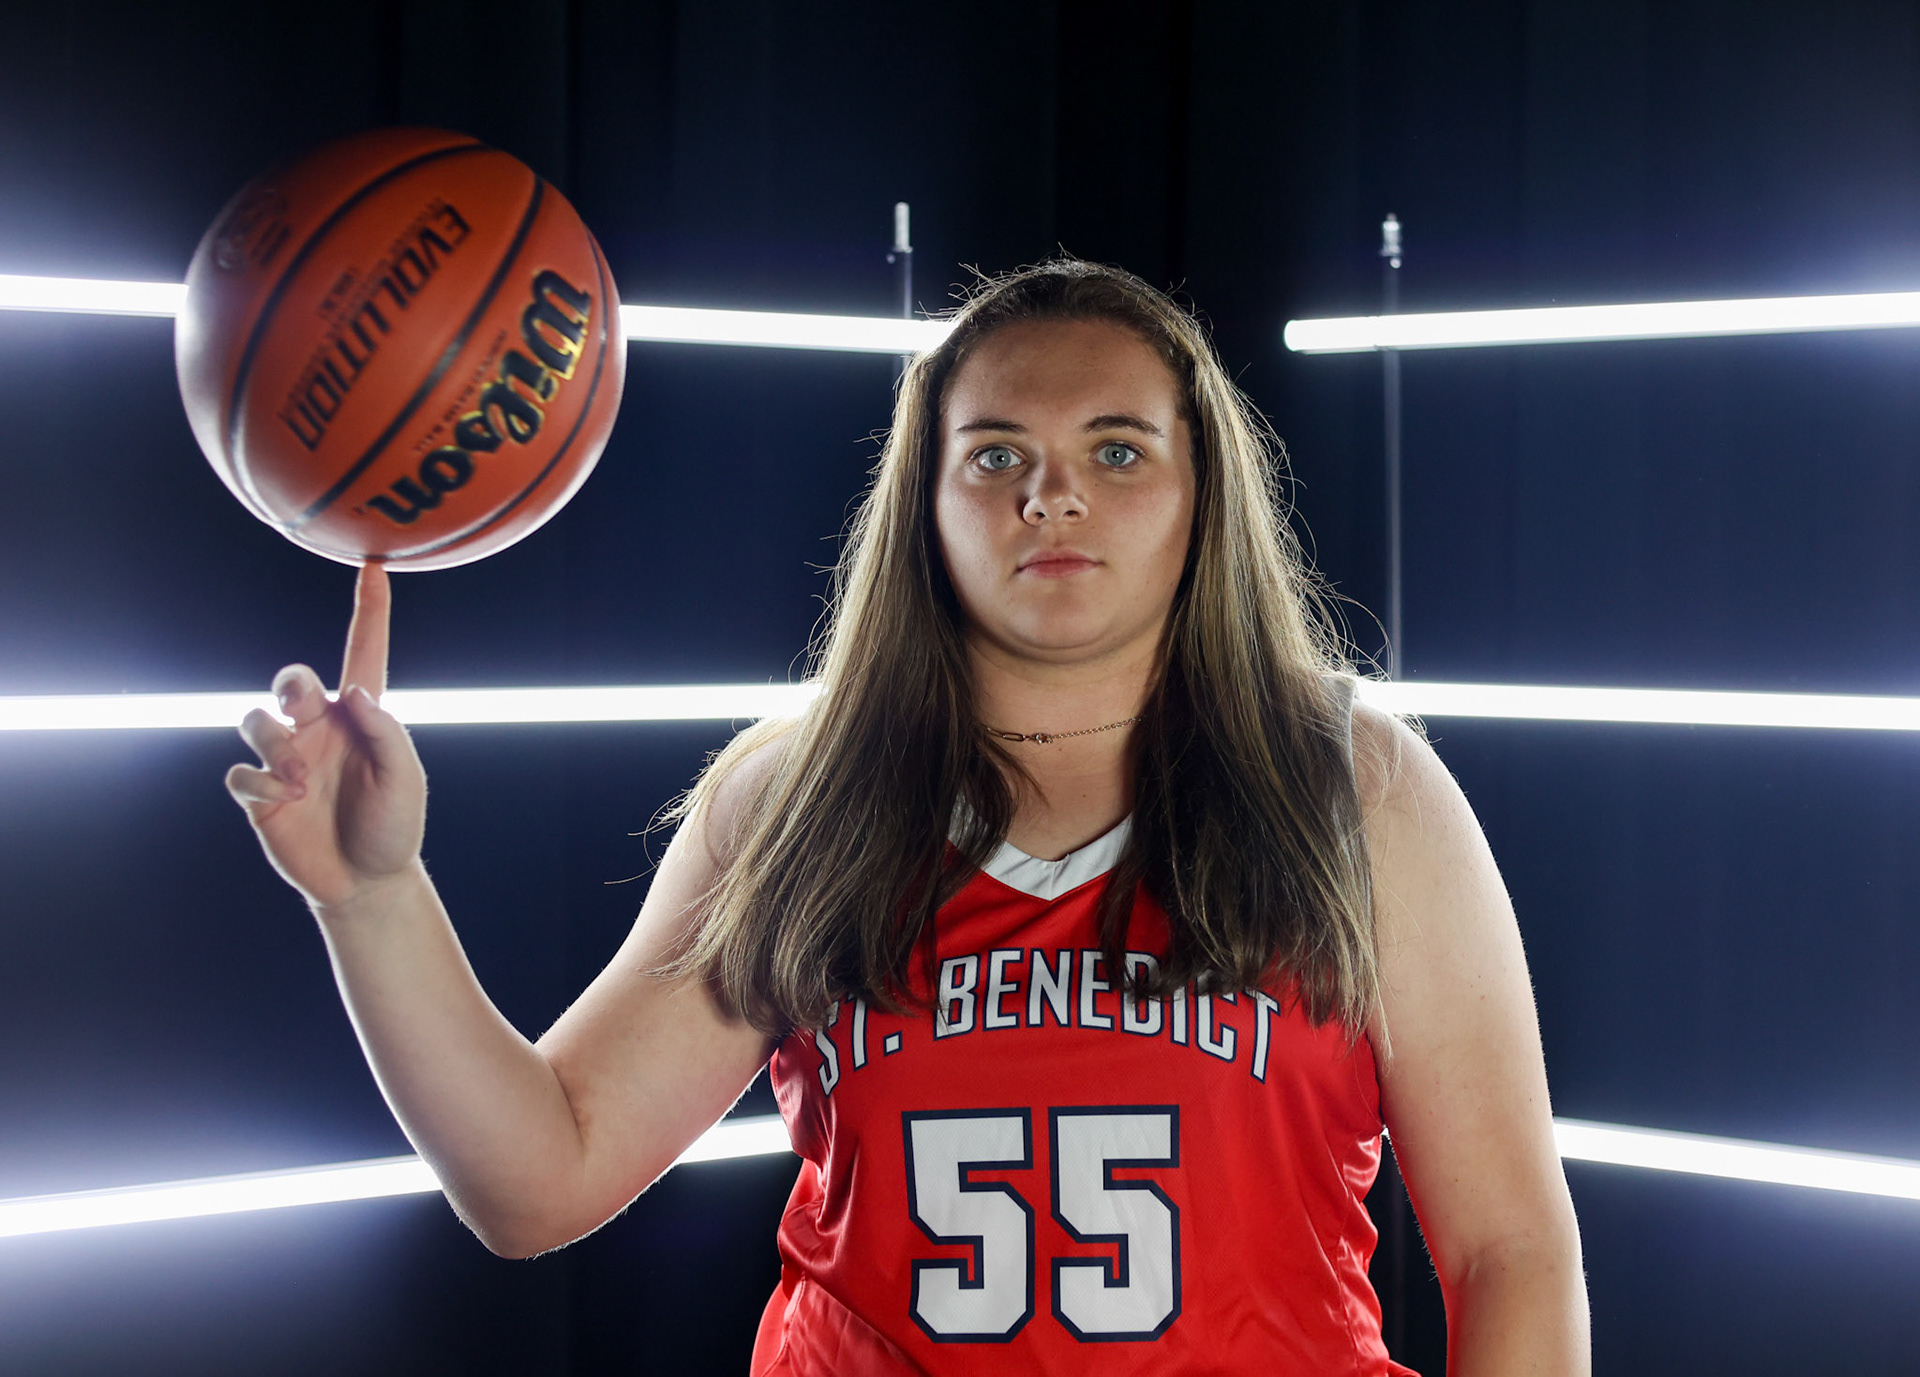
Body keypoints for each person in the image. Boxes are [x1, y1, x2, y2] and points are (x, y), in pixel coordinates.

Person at [228, 259, 1589, 1375]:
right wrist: (371, 896)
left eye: (1116, 450)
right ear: (924, 505)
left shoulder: (1355, 789)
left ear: (1202, 496)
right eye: (994, 454)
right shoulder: (798, 798)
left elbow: (1509, 1255)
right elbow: (541, 1175)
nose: (1050, 493)